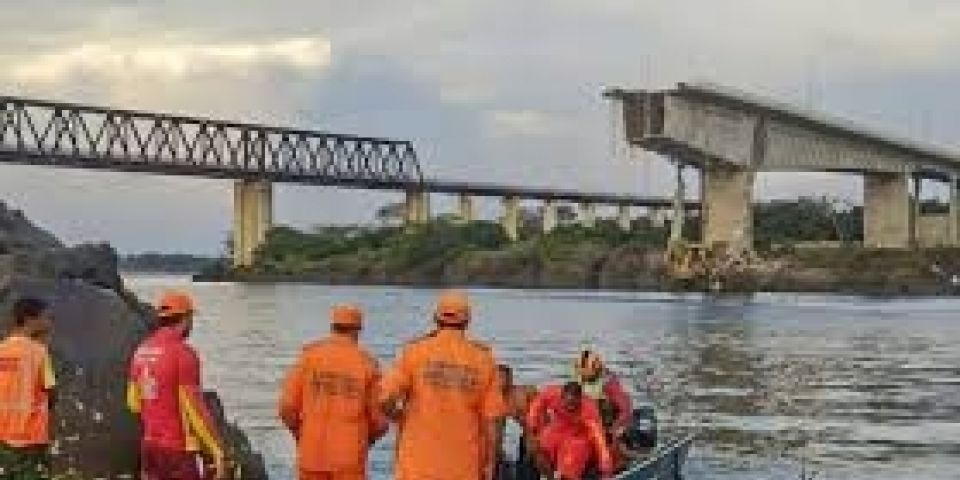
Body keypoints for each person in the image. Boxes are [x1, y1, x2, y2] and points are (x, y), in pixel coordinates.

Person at [379, 290, 505, 480]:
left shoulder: (414, 352)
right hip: (463, 467)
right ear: (467, 322)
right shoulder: (484, 359)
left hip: (416, 465)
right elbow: (492, 422)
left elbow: (384, 398)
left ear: (435, 319)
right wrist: (490, 463)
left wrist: (399, 417)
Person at [278, 304, 388, 480]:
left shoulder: (308, 357)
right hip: (349, 460)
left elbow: (286, 407)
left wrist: (301, 434)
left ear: (332, 327)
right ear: (358, 330)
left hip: (311, 455)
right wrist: (364, 442)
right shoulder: (367, 364)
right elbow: (380, 422)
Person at [127, 290, 227, 480]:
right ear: (185, 319)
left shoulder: (141, 351)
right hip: (178, 450)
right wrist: (217, 450)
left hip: (149, 446)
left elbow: (133, 403)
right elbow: (194, 407)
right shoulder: (183, 354)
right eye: (190, 319)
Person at [0, 297, 56, 479]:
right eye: (45, 318)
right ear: (30, 320)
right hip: (31, 436)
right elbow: (51, 391)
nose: (48, 323)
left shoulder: (2, 349)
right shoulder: (38, 352)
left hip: (3, 435)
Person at [526, 382, 613, 480]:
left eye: (574, 404)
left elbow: (599, 439)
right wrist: (533, 427)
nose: (570, 408)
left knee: (572, 459)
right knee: (538, 447)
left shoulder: (590, 411)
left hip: (580, 435)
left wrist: (606, 467)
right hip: (558, 428)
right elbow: (537, 405)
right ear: (561, 397)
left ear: (580, 399)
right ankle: (549, 475)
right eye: (567, 403)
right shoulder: (551, 393)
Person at [572, 349, 632, 445]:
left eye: (585, 372)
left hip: (606, 422)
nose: (582, 374)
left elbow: (625, 408)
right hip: (586, 420)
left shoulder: (608, 383)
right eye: (580, 371)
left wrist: (615, 429)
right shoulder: (578, 379)